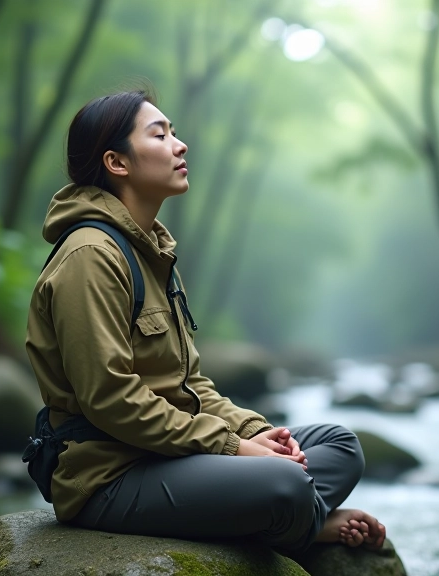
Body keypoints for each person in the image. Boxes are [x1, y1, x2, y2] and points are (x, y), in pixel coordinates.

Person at [24, 88, 385, 554]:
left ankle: (294, 517)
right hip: (111, 476)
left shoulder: (152, 254)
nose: (181, 145)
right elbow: (110, 400)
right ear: (117, 162)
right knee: (285, 483)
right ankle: (307, 524)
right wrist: (233, 448)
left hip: (171, 455)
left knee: (339, 444)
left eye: (174, 132)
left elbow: (191, 385)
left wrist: (254, 433)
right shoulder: (91, 256)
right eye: (160, 135)